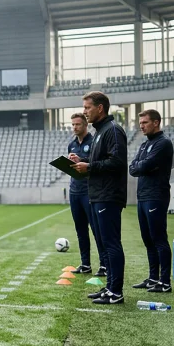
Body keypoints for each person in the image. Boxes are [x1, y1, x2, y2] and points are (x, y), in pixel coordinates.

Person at [72, 91, 128, 305]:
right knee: (105, 243)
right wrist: (83, 161)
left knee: (111, 243)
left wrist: (89, 166)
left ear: (100, 108)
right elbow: (101, 162)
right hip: (98, 195)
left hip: (108, 196)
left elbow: (117, 162)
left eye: (87, 108)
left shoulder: (112, 130)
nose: (85, 112)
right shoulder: (101, 132)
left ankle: (116, 291)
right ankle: (110, 287)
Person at [129, 109, 174, 293]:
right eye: (140, 123)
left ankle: (165, 282)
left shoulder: (163, 144)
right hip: (143, 196)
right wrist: (142, 166)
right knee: (147, 239)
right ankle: (153, 278)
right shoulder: (143, 145)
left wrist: (142, 166)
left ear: (156, 122)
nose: (142, 126)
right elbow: (132, 168)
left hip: (156, 196)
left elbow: (144, 165)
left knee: (159, 239)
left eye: (145, 122)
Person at [65, 113, 103, 276]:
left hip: (89, 191)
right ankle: (85, 264)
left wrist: (82, 159)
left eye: (78, 124)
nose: (75, 127)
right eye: (73, 124)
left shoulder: (93, 142)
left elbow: (95, 163)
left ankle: (104, 265)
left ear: (85, 125)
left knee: (96, 229)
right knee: (80, 230)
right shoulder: (71, 144)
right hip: (75, 191)